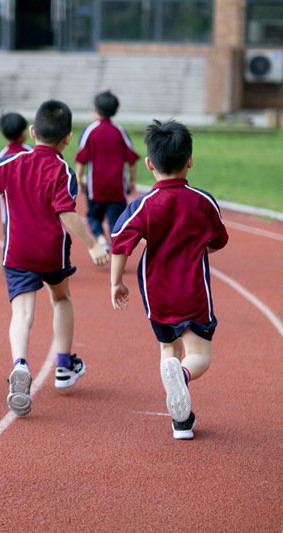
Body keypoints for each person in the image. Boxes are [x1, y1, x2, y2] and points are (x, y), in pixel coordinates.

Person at [0, 100, 109, 416]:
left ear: (32, 132)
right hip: (51, 252)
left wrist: (0, 183)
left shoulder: (13, 162)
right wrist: (92, 246)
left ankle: (19, 362)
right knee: (61, 300)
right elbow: (66, 213)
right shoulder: (64, 171)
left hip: (17, 251)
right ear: (68, 139)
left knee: (21, 312)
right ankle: (63, 366)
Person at [110, 119, 229, 440]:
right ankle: (185, 377)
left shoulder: (143, 205)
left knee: (168, 350)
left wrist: (115, 282)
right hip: (193, 290)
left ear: (149, 164)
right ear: (190, 160)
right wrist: (202, 247)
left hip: (156, 292)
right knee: (200, 354)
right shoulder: (202, 201)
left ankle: (182, 420)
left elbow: (120, 242)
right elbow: (219, 240)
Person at [75, 90, 140, 252]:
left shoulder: (89, 131)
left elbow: (81, 160)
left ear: (94, 108)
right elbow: (131, 160)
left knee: (93, 216)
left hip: (96, 187)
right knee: (116, 222)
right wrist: (132, 181)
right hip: (117, 187)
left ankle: (101, 239)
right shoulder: (120, 131)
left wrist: (79, 180)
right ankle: (117, 252)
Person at [0, 112, 33, 226]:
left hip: (10, 216)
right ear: (23, 133)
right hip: (33, 211)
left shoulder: (1, 157)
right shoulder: (31, 152)